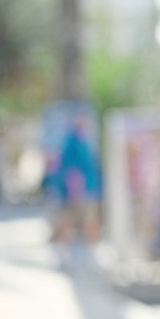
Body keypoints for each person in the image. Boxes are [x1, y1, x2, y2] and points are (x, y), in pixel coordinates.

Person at [47, 115, 102, 268]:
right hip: (76, 191)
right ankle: (62, 251)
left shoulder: (83, 141)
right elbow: (69, 169)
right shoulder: (72, 143)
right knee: (70, 220)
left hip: (85, 190)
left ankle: (91, 251)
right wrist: (75, 188)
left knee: (86, 220)